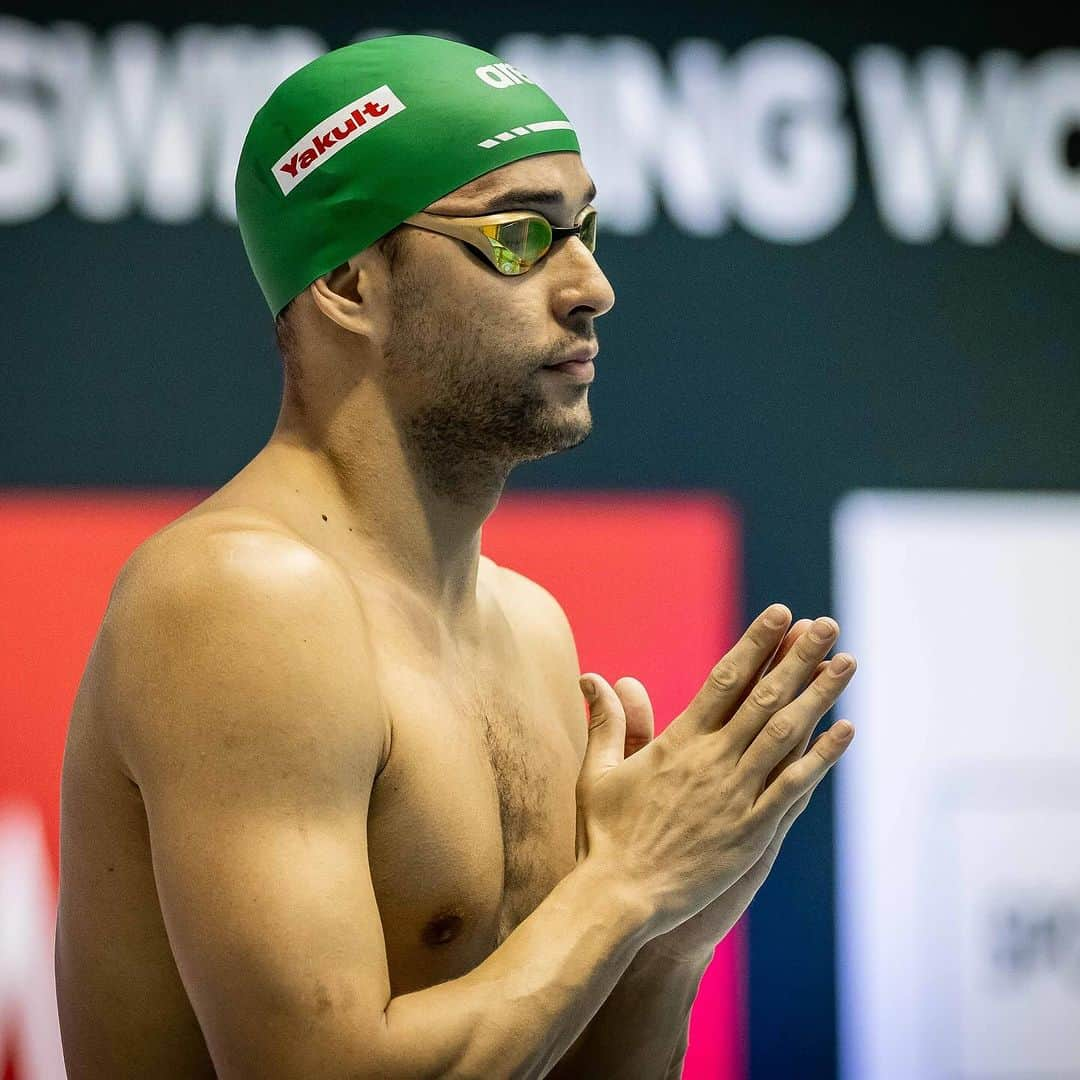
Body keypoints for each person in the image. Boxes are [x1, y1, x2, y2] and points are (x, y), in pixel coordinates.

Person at [54, 34, 857, 1078]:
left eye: (588, 229)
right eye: (522, 236)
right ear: (348, 283)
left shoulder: (527, 629)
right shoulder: (242, 598)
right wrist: (623, 885)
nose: (593, 286)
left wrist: (668, 937)